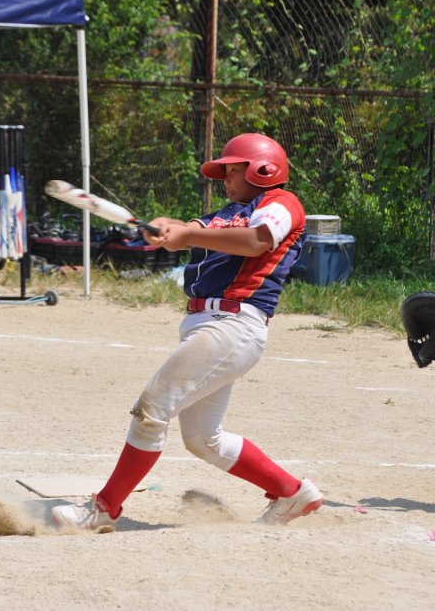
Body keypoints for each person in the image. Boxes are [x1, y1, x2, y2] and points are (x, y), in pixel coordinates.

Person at [51, 132, 324, 531]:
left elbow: (256, 241)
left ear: (262, 171)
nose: (225, 179)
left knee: (152, 409)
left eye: (232, 171)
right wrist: (170, 228)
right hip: (208, 326)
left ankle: (104, 508)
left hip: (233, 325)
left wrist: (189, 234)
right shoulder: (228, 212)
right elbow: (195, 228)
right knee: (202, 439)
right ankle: (292, 492)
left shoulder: (282, 203)